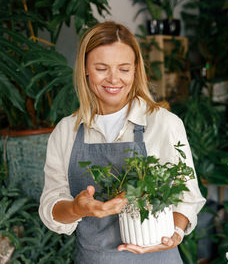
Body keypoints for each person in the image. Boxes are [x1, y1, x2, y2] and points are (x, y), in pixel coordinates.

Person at [39, 21, 206, 263]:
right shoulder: (66, 131)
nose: (114, 79)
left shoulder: (164, 123)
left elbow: (187, 198)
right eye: (101, 68)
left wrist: (175, 234)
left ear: (136, 69)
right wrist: (77, 208)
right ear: (85, 68)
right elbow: (51, 206)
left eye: (124, 69)